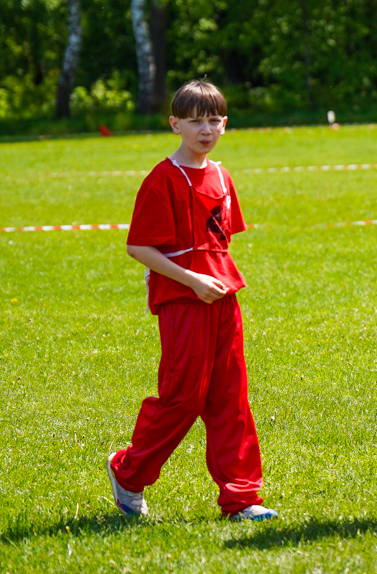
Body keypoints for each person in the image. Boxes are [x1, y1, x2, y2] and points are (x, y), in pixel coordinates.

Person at [105, 80, 277, 522]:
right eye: (196, 121)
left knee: (230, 396)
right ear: (174, 124)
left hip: (222, 299)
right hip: (182, 299)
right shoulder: (163, 178)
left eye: (214, 120)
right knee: (183, 397)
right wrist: (190, 279)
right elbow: (139, 247)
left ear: (225, 124)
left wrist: (213, 281)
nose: (206, 129)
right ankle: (128, 472)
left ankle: (241, 498)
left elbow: (219, 243)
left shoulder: (221, 175)